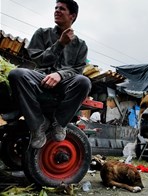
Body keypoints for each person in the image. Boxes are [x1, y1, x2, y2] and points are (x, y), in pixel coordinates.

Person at [8, 0, 91, 149]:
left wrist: (60, 74)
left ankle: (60, 123)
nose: (57, 10)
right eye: (56, 7)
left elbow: (78, 70)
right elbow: (38, 60)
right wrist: (60, 44)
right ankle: (38, 125)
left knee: (84, 82)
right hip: (39, 78)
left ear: (72, 15)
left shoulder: (81, 45)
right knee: (17, 74)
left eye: (62, 9)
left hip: (65, 84)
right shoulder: (41, 33)